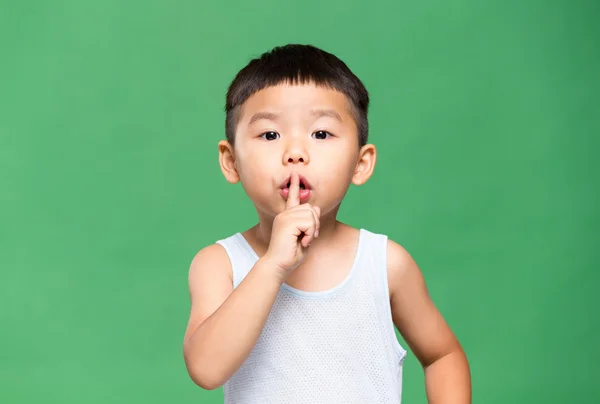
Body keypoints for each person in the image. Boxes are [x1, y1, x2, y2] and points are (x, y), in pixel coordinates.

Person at [182, 44, 471, 403]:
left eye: (321, 134)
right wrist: (273, 264)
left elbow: (443, 355)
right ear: (231, 161)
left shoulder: (384, 264)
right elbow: (206, 369)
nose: (296, 152)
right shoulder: (220, 264)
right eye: (270, 134)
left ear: (360, 164)